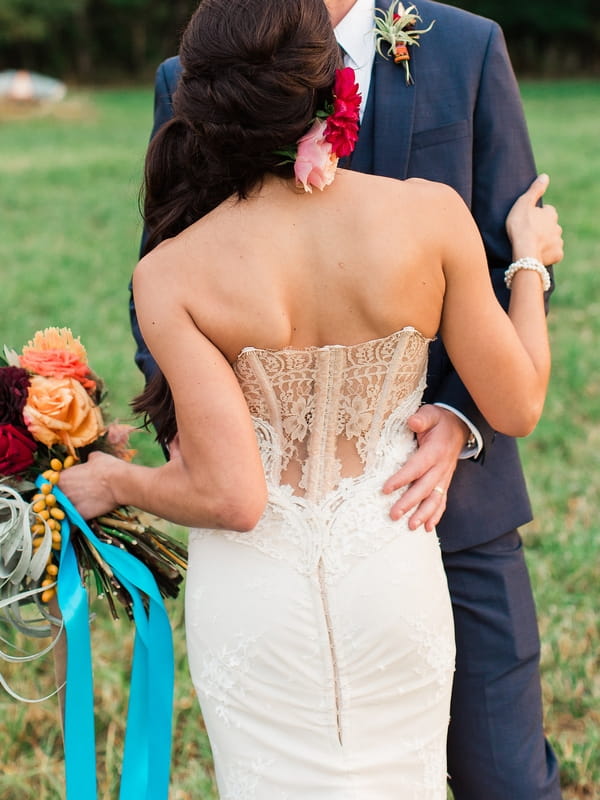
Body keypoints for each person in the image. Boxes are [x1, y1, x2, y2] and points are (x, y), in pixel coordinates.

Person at [61, 1, 563, 797]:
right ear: (337, 92)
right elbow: (522, 404)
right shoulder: (430, 216)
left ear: (198, 108)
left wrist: (115, 481)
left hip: (255, 598)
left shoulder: (171, 275)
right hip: (396, 564)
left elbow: (231, 495)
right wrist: (529, 266)